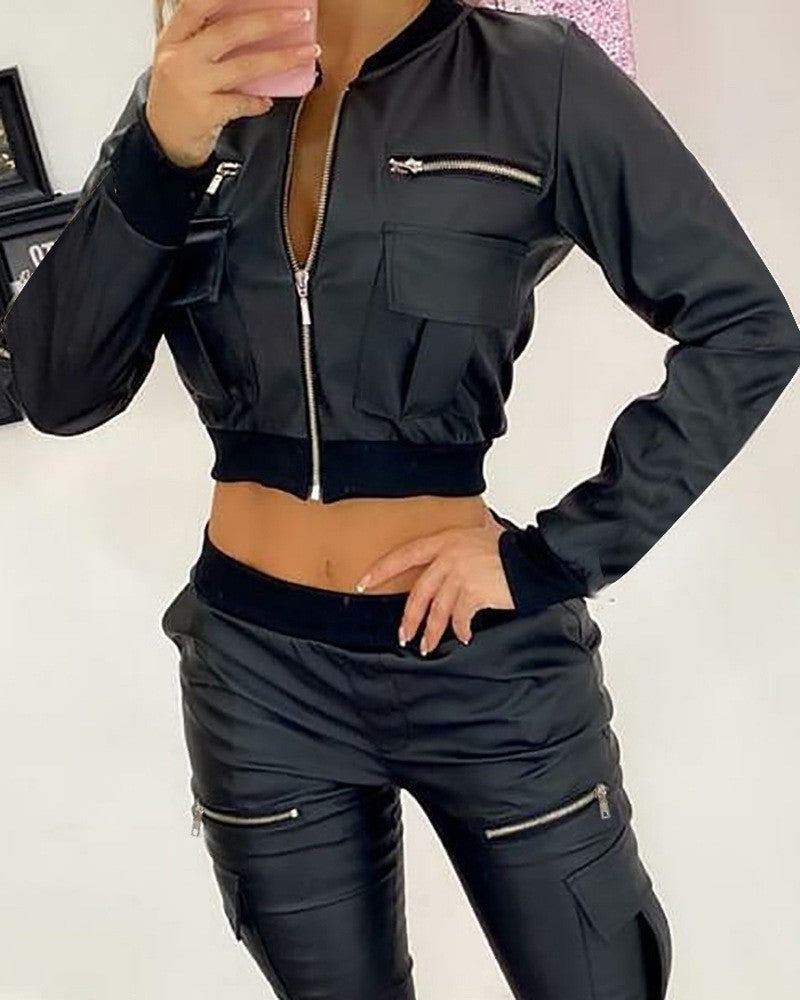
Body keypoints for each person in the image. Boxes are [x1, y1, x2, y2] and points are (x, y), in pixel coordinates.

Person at [2, 1, 798, 997]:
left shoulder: (532, 78)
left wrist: (553, 556)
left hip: (478, 662)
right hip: (256, 678)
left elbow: (745, 328)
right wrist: (157, 152)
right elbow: (57, 388)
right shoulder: (203, 82)